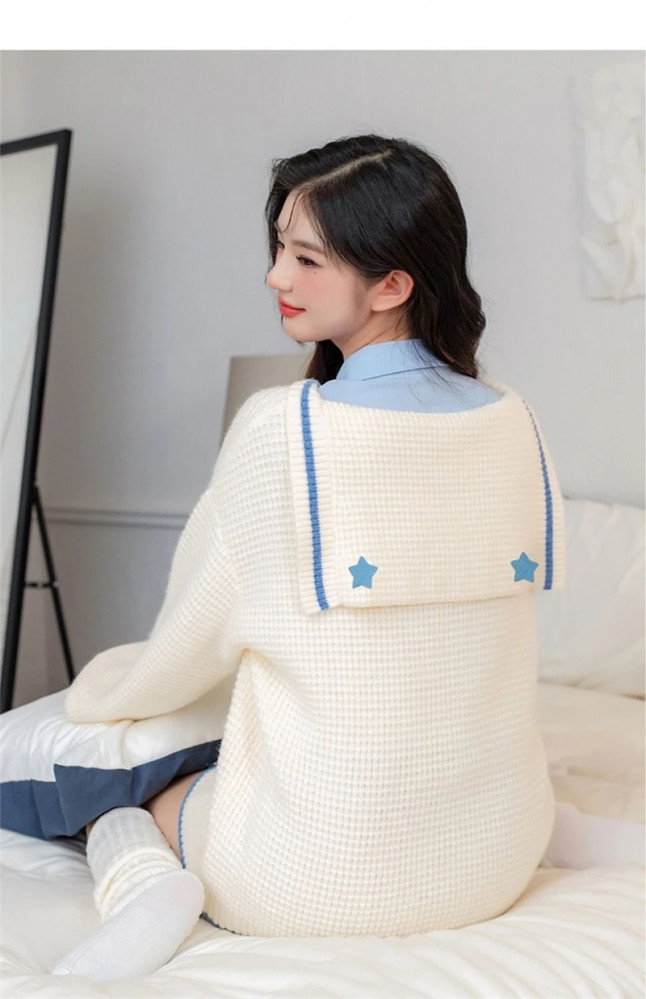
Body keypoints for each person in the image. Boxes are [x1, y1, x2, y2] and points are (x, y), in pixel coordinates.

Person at [51, 132, 576, 982]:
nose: (275, 277)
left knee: (117, 797)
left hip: (299, 879)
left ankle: (147, 888)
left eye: (305, 258)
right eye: (278, 250)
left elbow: (186, 647)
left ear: (392, 285)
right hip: (496, 858)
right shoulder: (515, 421)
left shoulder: (283, 430)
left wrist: (104, 691)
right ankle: (567, 827)